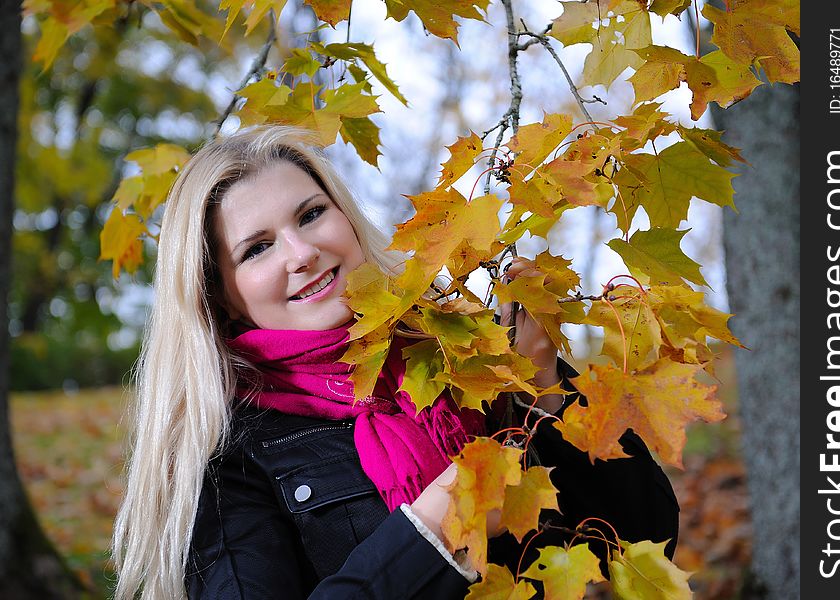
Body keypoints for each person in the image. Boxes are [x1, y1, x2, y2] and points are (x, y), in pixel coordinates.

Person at [111, 125, 679, 599]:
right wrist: (431, 530)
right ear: (220, 296)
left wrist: (547, 385)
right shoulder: (228, 453)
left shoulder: (463, 353)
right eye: (257, 248)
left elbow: (648, 535)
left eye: (310, 215)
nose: (303, 253)